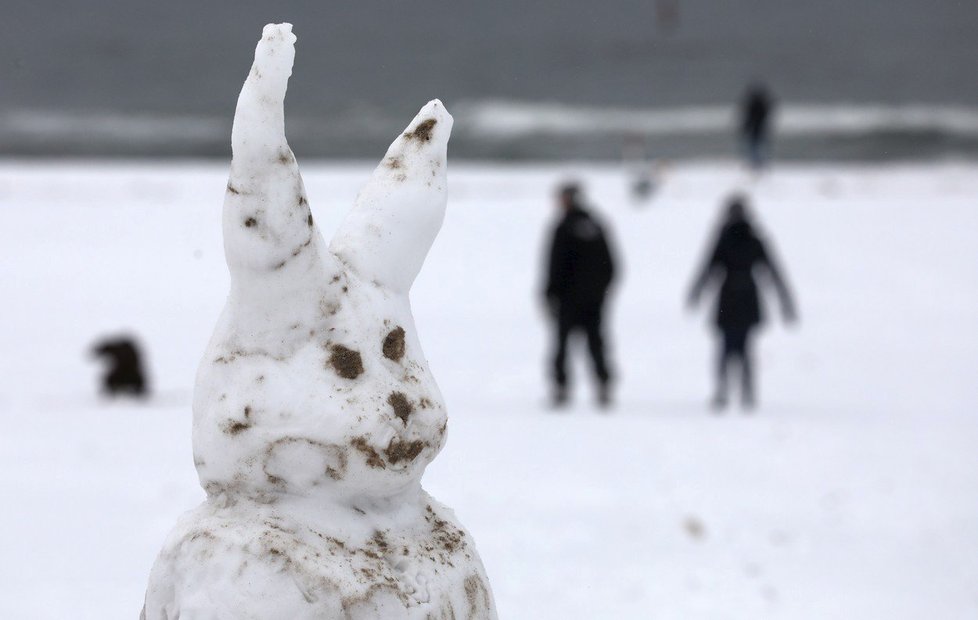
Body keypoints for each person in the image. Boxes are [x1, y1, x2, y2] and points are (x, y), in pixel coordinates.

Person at [687, 195, 795, 410]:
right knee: (743, 348)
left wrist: (696, 292)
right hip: (746, 297)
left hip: (728, 298)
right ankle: (744, 393)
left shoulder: (724, 238)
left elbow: (708, 268)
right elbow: (774, 272)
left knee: (727, 348)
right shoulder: (753, 239)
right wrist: (786, 301)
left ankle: (725, 392)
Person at [544, 182, 617, 408]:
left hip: (569, 300)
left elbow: (555, 265)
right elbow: (611, 265)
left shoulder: (564, 226)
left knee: (565, 345)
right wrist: (600, 292)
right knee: (595, 343)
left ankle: (562, 388)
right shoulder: (595, 224)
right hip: (592, 300)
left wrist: (551, 293)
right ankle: (602, 385)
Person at [740, 83, 775, 171]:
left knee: (754, 146)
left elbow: (749, 118)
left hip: (756, 129)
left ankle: (757, 163)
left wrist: (745, 127)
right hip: (761, 129)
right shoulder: (763, 104)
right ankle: (760, 163)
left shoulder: (753, 105)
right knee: (759, 146)